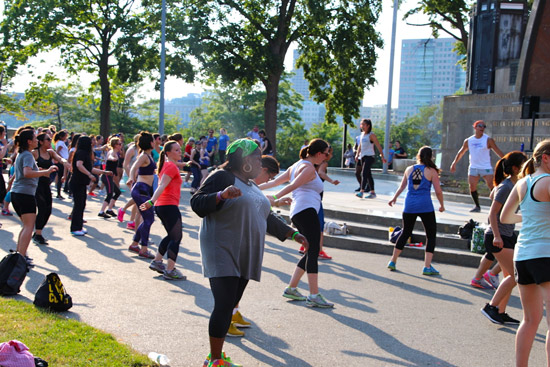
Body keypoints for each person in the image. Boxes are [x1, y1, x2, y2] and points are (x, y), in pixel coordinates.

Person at [190, 139, 306, 367]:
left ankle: (216, 357)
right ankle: (214, 360)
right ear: (243, 160)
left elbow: (266, 215)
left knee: (231, 303)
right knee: (224, 304)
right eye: (256, 157)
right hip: (222, 247)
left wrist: (292, 234)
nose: (259, 162)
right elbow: (197, 203)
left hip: (245, 251)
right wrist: (221, 196)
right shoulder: (221, 176)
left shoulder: (252, 186)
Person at [261, 138, 335, 308]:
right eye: (325, 154)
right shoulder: (308, 167)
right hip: (305, 210)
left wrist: (252, 186)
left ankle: (292, 288)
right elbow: (293, 185)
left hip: (300, 211)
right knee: (314, 250)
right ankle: (314, 295)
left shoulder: (297, 165)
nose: (326, 157)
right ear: (318, 154)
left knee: (311, 249)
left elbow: (273, 182)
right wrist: (275, 198)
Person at [500, 139, 550, 367]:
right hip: (545, 254)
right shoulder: (547, 181)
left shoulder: (523, 182)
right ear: (547, 158)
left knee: (529, 320)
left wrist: (531, 216)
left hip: (524, 256)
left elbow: (505, 217)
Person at [480, 151, 527, 325]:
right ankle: (491, 307)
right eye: (524, 164)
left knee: (509, 276)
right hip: (497, 236)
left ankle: (500, 311)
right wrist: (497, 236)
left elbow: (494, 196)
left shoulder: (515, 185)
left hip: (507, 235)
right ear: (515, 168)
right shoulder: (506, 186)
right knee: (515, 275)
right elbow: (492, 214)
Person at [387, 146, 445, 275]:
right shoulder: (432, 171)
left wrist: (394, 198)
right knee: (430, 235)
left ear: (418, 156)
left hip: (409, 205)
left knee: (405, 232)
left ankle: (393, 261)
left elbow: (402, 186)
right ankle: (427, 266)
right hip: (425, 205)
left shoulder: (409, 169)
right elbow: (438, 191)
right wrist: (442, 205)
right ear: (430, 157)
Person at [10, 128, 58, 265]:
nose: (37, 140)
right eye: (35, 138)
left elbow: (26, 172)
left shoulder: (23, 154)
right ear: (29, 141)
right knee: (29, 227)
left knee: (26, 226)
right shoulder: (27, 155)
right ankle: (21, 257)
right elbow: (27, 173)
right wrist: (45, 172)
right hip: (24, 195)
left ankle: (19, 255)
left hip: (18, 194)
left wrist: (41, 171)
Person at [140, 140, 186, 280]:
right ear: (168, 153)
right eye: (177, 150)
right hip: (168, 206)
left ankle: (157, 261)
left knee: (172, 236)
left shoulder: (168, 165)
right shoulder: (170, 166)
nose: (180, 152)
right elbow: (162, 186)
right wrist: (151, 201)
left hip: (164, 205)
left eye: (180, 149)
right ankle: (170, 270)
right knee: (176, 237)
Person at [450, 120, 504, 212]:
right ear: (475, 127)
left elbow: (497, 150)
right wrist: (454, 163)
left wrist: (506, 159)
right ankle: (477, 206)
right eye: (479, 126)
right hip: (474, 167)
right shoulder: (469, 140)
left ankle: (498, 205)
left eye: (484, 126)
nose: (482, 128)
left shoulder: (488, 140)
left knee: (492, 185)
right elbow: (461, 152)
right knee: (472, 186)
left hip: (485, 167)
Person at [32, 132, 70, 245]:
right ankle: (38, 234)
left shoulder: (50, 152)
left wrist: (65, 163)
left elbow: (59, 158)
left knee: (48, 209)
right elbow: (28, 167)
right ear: (41, 142)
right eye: (48, 139)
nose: (50, 141)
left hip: (46, 184)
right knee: (42, 207)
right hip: (36, 184)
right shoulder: (35, 153)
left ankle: (37, 232)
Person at [70, 136, 112, 236]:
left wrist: (104, 172)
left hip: (81, 183)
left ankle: (79, 226)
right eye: (90, 141)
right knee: (78, 205)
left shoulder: (85, 154)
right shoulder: (81, 153)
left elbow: (90, 168)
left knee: (81, 204)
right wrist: (89, 175)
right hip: (77, 182)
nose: (92, 143)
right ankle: (75, 228)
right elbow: (79, 165)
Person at [126, 132, 157, 259]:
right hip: (140, 189)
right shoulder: (143, 156)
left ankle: (134, 244)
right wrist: (131, 178)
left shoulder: (149, 156)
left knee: (148, 218)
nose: (155, 142)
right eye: (153, 141)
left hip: (145, 190)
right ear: (150, 143)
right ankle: (144, 248)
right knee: (149, 219)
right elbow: (134, 167)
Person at [355, 118, 386, 198]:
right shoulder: (362, 135)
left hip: (370, 156)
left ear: (368, 126)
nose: (362, 126)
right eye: (361, 124)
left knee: (364, 173)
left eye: (364, 124)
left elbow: (378, 145)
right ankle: (372, 192)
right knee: (368, 175)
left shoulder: (371, 135)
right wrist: (357, 155)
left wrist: (382, 155)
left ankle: (361, 191)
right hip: (362, 156)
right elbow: (360, 146)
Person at [98, 137, 122, 218]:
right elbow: (109, 157)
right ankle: (101, 211)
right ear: (115, 145)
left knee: (118, 192)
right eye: (119, 144)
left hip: (110, 177)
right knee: (110, 194)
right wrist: (113, 158)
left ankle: (109, 209)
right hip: (106, 176)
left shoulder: (116, 152)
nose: (120, 145)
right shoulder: (112, 152)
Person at [53, 130, 69, 199]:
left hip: (63, 161)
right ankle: (58, 193)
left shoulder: (61, 143)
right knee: (60, 177)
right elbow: (57, 152)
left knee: (61, 177)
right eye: (65, 136)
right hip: (62, 162)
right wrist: (62, 158)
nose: (66, 137)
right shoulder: (61, 143)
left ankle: (59, 192)